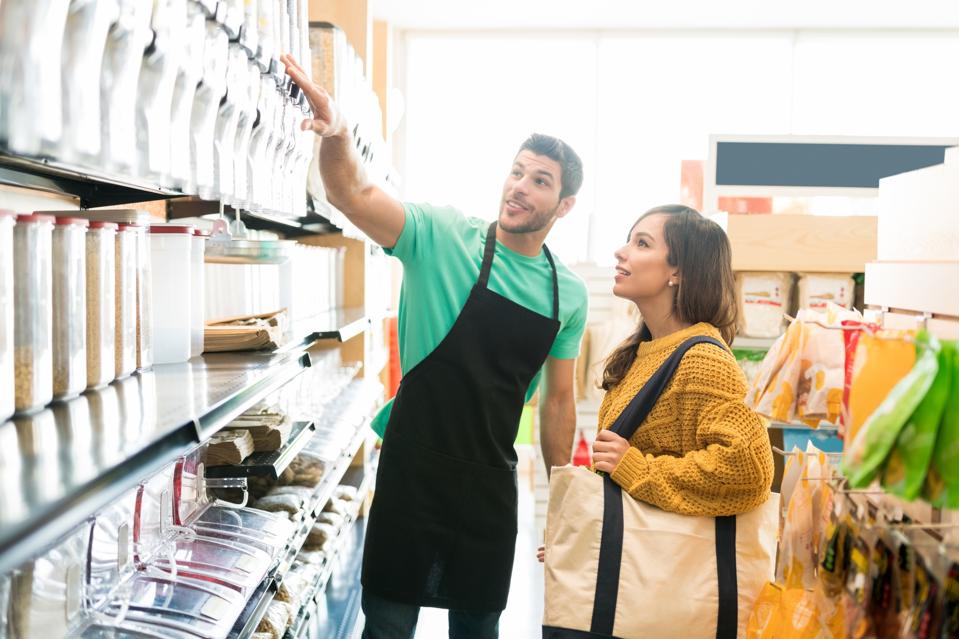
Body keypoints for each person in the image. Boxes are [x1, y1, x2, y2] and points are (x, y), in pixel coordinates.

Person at [282, 55, 589, 639]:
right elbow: (350, 193)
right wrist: (338, 132)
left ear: (564, 205)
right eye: (517, 171)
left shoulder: (566, 294)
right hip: (411, 475)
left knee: (479, 630)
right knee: (388, 628)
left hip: (490, 491)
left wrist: (567, 507)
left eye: (540, 181)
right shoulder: (442, 236)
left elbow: (557, 406)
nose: (520, 187)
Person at [590, 204, 773, 516]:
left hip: (667, 561)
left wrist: (635, 468)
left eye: (642, 243)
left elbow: (749, 470)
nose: (621, 252)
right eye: (629, 240)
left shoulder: (703, 360)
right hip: (638, 556)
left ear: (678, 271)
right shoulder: (642, 350)